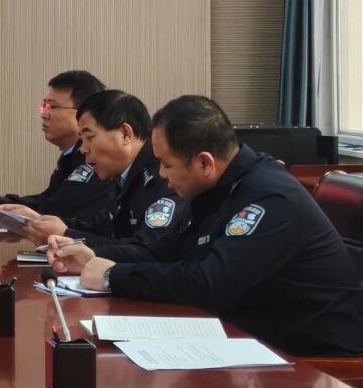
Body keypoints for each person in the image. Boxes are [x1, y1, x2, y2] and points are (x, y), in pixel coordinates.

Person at [59, 95, 363, 357]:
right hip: (249, 337)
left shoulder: (270, 199)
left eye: (167, 165)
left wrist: (112, 276)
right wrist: (93, 256)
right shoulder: (214, 189)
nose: (162, 175)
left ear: (204, 163)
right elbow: (163, 251)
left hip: (310, 357)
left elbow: (208, 284)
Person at [0, 90, 184, 248]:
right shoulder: (122, 174)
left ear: (125, 134)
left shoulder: (160, 175)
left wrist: (66, 235)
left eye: (89, 137)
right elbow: (105, 228)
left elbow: (147, 250)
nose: (83, 149)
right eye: (81, 139)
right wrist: (44, 224)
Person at [0, 70, 113, 219]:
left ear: (84, 113)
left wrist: (1, 207)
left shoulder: (96, 159)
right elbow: (48, 200)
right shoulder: (71, 154)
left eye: (52, 107)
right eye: (44, 106)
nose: (44, 114)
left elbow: (56, 210)